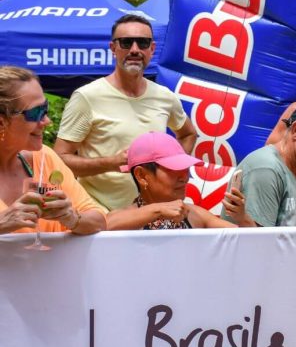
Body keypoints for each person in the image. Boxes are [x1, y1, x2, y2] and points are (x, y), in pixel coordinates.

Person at [54, 14, 197, 211]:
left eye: (143, 43)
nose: (135, 50)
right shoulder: (87, 97)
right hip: (100, 214)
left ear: (152, 49)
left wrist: (171, 168)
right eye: (126, 43)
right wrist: (111, 163)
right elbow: (59, 159)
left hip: (151, 212)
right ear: (113, 48)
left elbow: (188, 133)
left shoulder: (165, 97)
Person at [0, 66, 106, 235]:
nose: (47, 120)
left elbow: (99, 221)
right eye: (36, 113)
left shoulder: (45, 158)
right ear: (2, 122)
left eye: (46, 108)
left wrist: (72, 218)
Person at [106, 132, 253, 230]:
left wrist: (243, 218)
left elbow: (257, 246)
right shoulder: (123, 218)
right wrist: (157, 210)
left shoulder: (194, 214)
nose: (185, 177)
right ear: (142, 176)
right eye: (174, 169)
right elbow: (104, 225)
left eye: (186, 168)